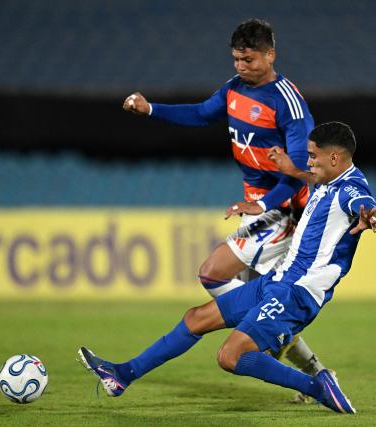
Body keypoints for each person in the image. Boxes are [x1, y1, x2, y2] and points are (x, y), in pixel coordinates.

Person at [79, 122, 376, 414]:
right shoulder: (328, 179)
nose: (310, 161)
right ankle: (123, 375)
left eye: (313, 156)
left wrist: (370, 215)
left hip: (298, 293)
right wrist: (294, 171)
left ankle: (318, 387)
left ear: (334, 157)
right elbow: (314, 179)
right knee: (196, 318)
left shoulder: (351, 189)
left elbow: (364, 203)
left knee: (230, 356)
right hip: (277, 280)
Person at [122, 18, 328, 386]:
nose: (240, 67)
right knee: (254, 298)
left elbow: (299, 171)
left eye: (248, 60)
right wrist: (151, 109)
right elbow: (201, 113)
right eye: (236, 59)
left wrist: (265, 205)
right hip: (261, 209)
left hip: (287, 212)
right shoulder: (235, 90)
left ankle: (272, 341)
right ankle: (311, 367)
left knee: (213, 271)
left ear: (270, 55)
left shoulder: (290, 105)